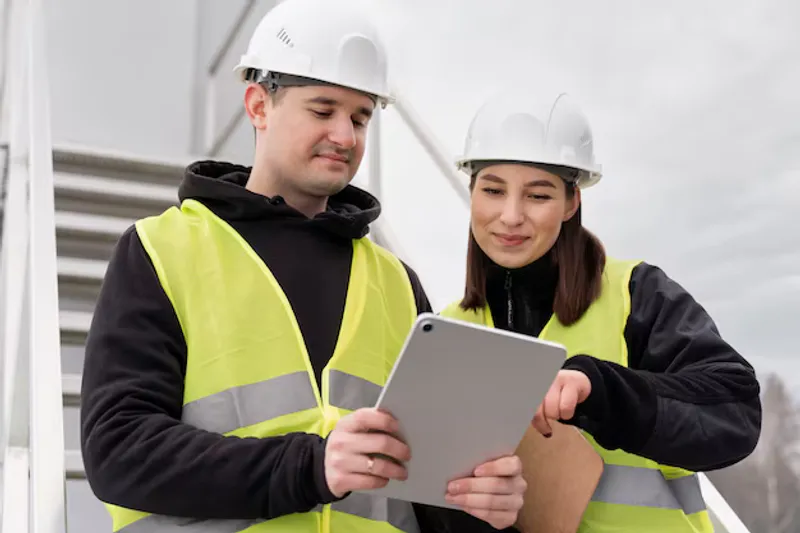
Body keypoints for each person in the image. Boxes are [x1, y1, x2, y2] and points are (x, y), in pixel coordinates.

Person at [79, 1, 526, 532]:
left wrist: (482, 506)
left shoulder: (397, 284)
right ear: (258, 106)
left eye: (360, 117)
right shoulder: (161, 251)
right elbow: (119, 448)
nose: (346, 135)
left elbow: (425, 493)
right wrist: (309, 466)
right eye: (322, 110)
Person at [440, 89, 762, 533]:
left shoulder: (635, 294)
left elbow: (734, 415)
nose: (510, 216)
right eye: (493, 190)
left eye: (538, 196)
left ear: (572, 202)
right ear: (472, 192)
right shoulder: (446, 330)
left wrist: (603, 390)